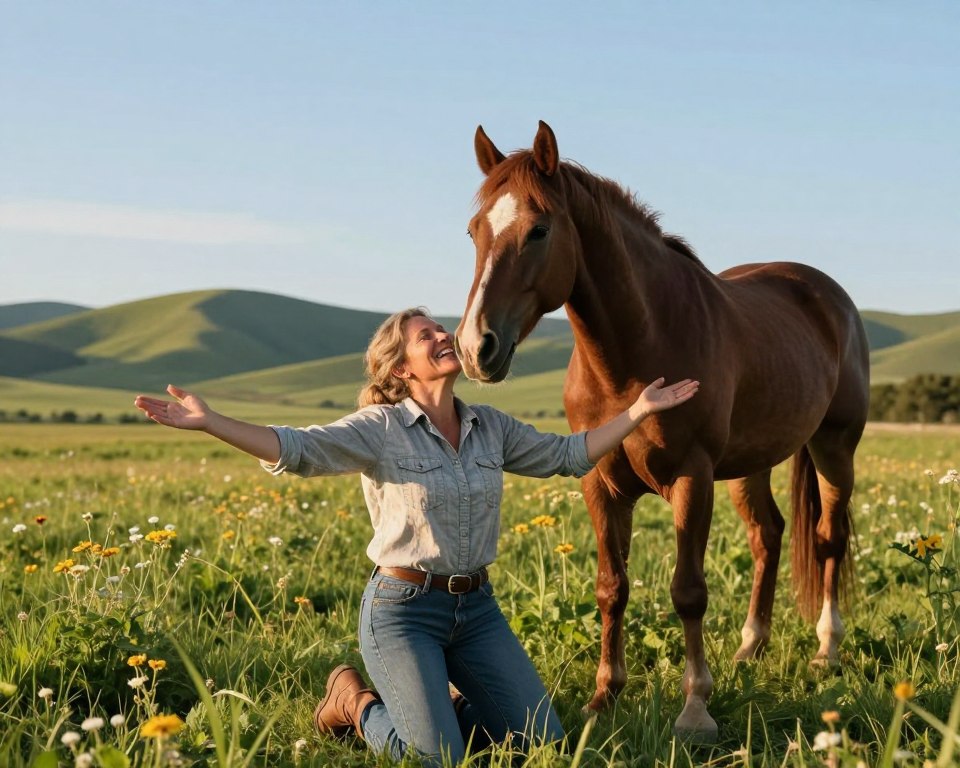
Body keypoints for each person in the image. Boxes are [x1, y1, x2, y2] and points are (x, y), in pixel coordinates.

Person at [134, 307, 698, 766]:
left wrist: (637, 410)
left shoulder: (491, 427)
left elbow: (568, 456)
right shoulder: (379, 430)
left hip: (477, 610)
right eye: (423, 335)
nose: (441, 335)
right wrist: (213, 422)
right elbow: (296, 449)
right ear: (401, 370)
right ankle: (355, 705)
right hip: (402, 613)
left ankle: (438, 701)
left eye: (438, 328)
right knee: (440, 762)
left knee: (541, 742)